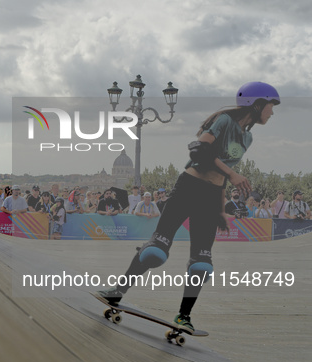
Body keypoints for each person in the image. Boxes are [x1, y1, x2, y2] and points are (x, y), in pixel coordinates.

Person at [96, 81, 280, 333]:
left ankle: (183, 316)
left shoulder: (248, 137)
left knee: (202, 264)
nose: (272, 112)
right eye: (271, 106)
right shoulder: (224, 121)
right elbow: (199, 150)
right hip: (188, 188)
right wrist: (233, 174)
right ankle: (117, 292)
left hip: (211, 195)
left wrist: (220, 206)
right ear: (257, 104)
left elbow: (223, 175)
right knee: (155, 251)